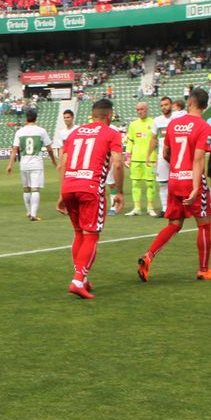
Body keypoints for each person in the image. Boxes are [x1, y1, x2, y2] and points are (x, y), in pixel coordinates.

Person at [139, 87, 211, 282]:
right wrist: (195, 187)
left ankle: (148, 256)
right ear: (205, 105)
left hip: (174, 179)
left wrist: (177, 169)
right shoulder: (204, 127)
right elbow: (199, 159)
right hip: (191, 181)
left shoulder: (174, 124)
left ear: (191, 103)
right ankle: (204, 269)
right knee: (204, 225)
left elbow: (166, 153)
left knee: (175, 224)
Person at [56, 98, 126, 298]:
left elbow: (64, 162)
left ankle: (82, 279)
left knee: (79, 232)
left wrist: (63, 191)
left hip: (69, 185)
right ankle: (78, 280)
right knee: (91, 234)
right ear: (109, 116)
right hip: (90, 187)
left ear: (92, 114)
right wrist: (119, 192)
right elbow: (118, 164)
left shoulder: (75, 132)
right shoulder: (112, 133)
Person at [7, 108, 56, 221]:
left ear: (26, 118)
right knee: (35, 189)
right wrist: (53, 161)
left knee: (26, 189)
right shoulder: (41, 131)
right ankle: (33, 214)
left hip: (23, 164)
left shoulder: (20, 131)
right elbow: (49, 149)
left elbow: (14, 149)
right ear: (36, 118)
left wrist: (10, 165)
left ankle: (29, 211)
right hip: (36, 163)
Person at [121, 100, 157, 216]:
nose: (139, 112)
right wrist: (128, 155)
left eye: (142, 109)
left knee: (150, 184)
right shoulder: (133, 124)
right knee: (135, 183)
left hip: (150, 159)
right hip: (136, 159)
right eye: (138, 109)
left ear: (147, 109)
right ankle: (137, 208)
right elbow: (130, 141)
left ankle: (150, 207)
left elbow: (156, 140)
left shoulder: (153, 123)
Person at [151, 96, 183, 214]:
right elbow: (154, 138)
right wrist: (149, 155)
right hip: (162, 156)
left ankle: (180, 207)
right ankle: (165, 209)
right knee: (163, 183)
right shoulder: (157, 121)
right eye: (162, 105)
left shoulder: (177, 118)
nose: (164, 107)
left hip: (177, 155)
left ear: (171, 105)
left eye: (166, 104)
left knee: (179, 182)